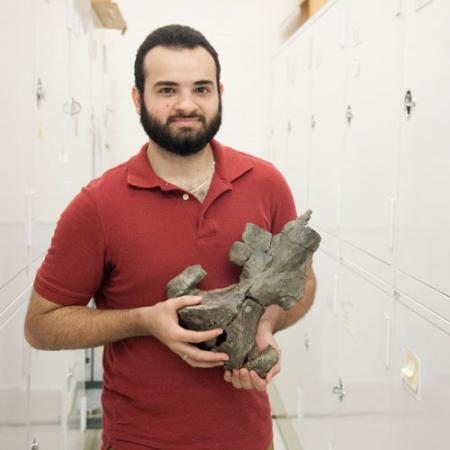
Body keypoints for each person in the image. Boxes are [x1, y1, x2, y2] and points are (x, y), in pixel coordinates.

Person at [24, 24, 316, 450]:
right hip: (140, 440)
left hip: (248, 438)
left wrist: (264, 322)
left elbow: (303, 281)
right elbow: (41, 326)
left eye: (201, 88)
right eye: (166, 90)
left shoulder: (265, 183)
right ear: (137, 98)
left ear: (219, 93)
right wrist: (142, 321)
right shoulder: (97, 206)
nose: (186, 104)